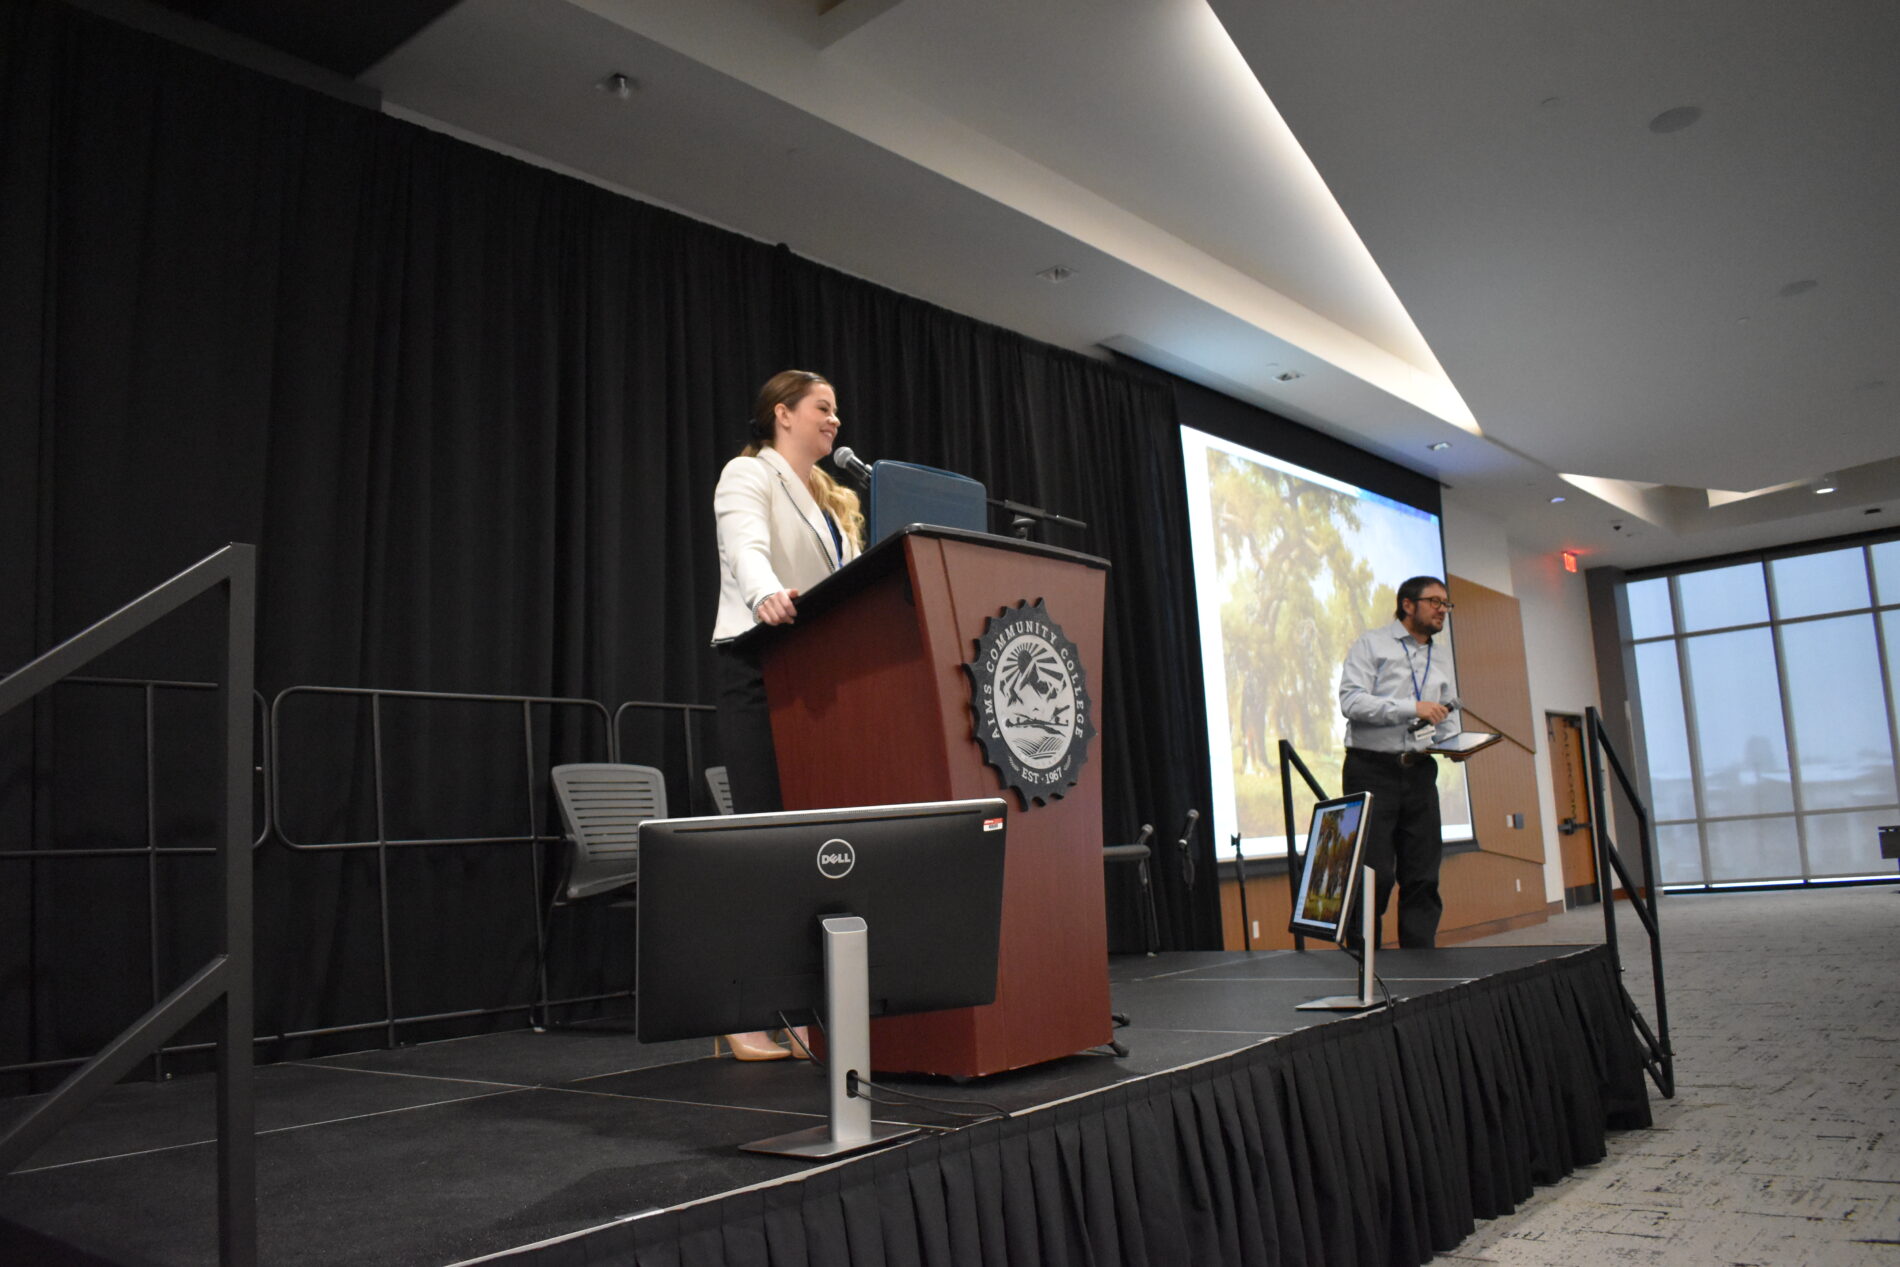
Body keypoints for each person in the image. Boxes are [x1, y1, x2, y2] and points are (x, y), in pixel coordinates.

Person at [709, 369, 864, 1059]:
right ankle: (743, 1013)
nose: (835, 420)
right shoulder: (748, 474)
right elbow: (745, 546)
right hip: (758, 658)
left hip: (815, 674)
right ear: (782, 413)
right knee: (768, 841)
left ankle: (801, 1012)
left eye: (837, 411)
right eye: (822, 408)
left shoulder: (830, 498)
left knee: (816, 852)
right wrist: (766, 592)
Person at [1337, 575, 1471, 948]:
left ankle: (1420, 963)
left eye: (1446, 604)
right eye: (1435, 602)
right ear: (1407, 605)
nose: (1442, 610)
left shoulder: (1440, 655)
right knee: (1374, 875)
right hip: (1371, 770)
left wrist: (1454, 743)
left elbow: (1446, 709)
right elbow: (1352, 702)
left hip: (1420, 771)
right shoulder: (1372, 644)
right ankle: (1366, 961)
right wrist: (1411, 708)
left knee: (1423, 875)